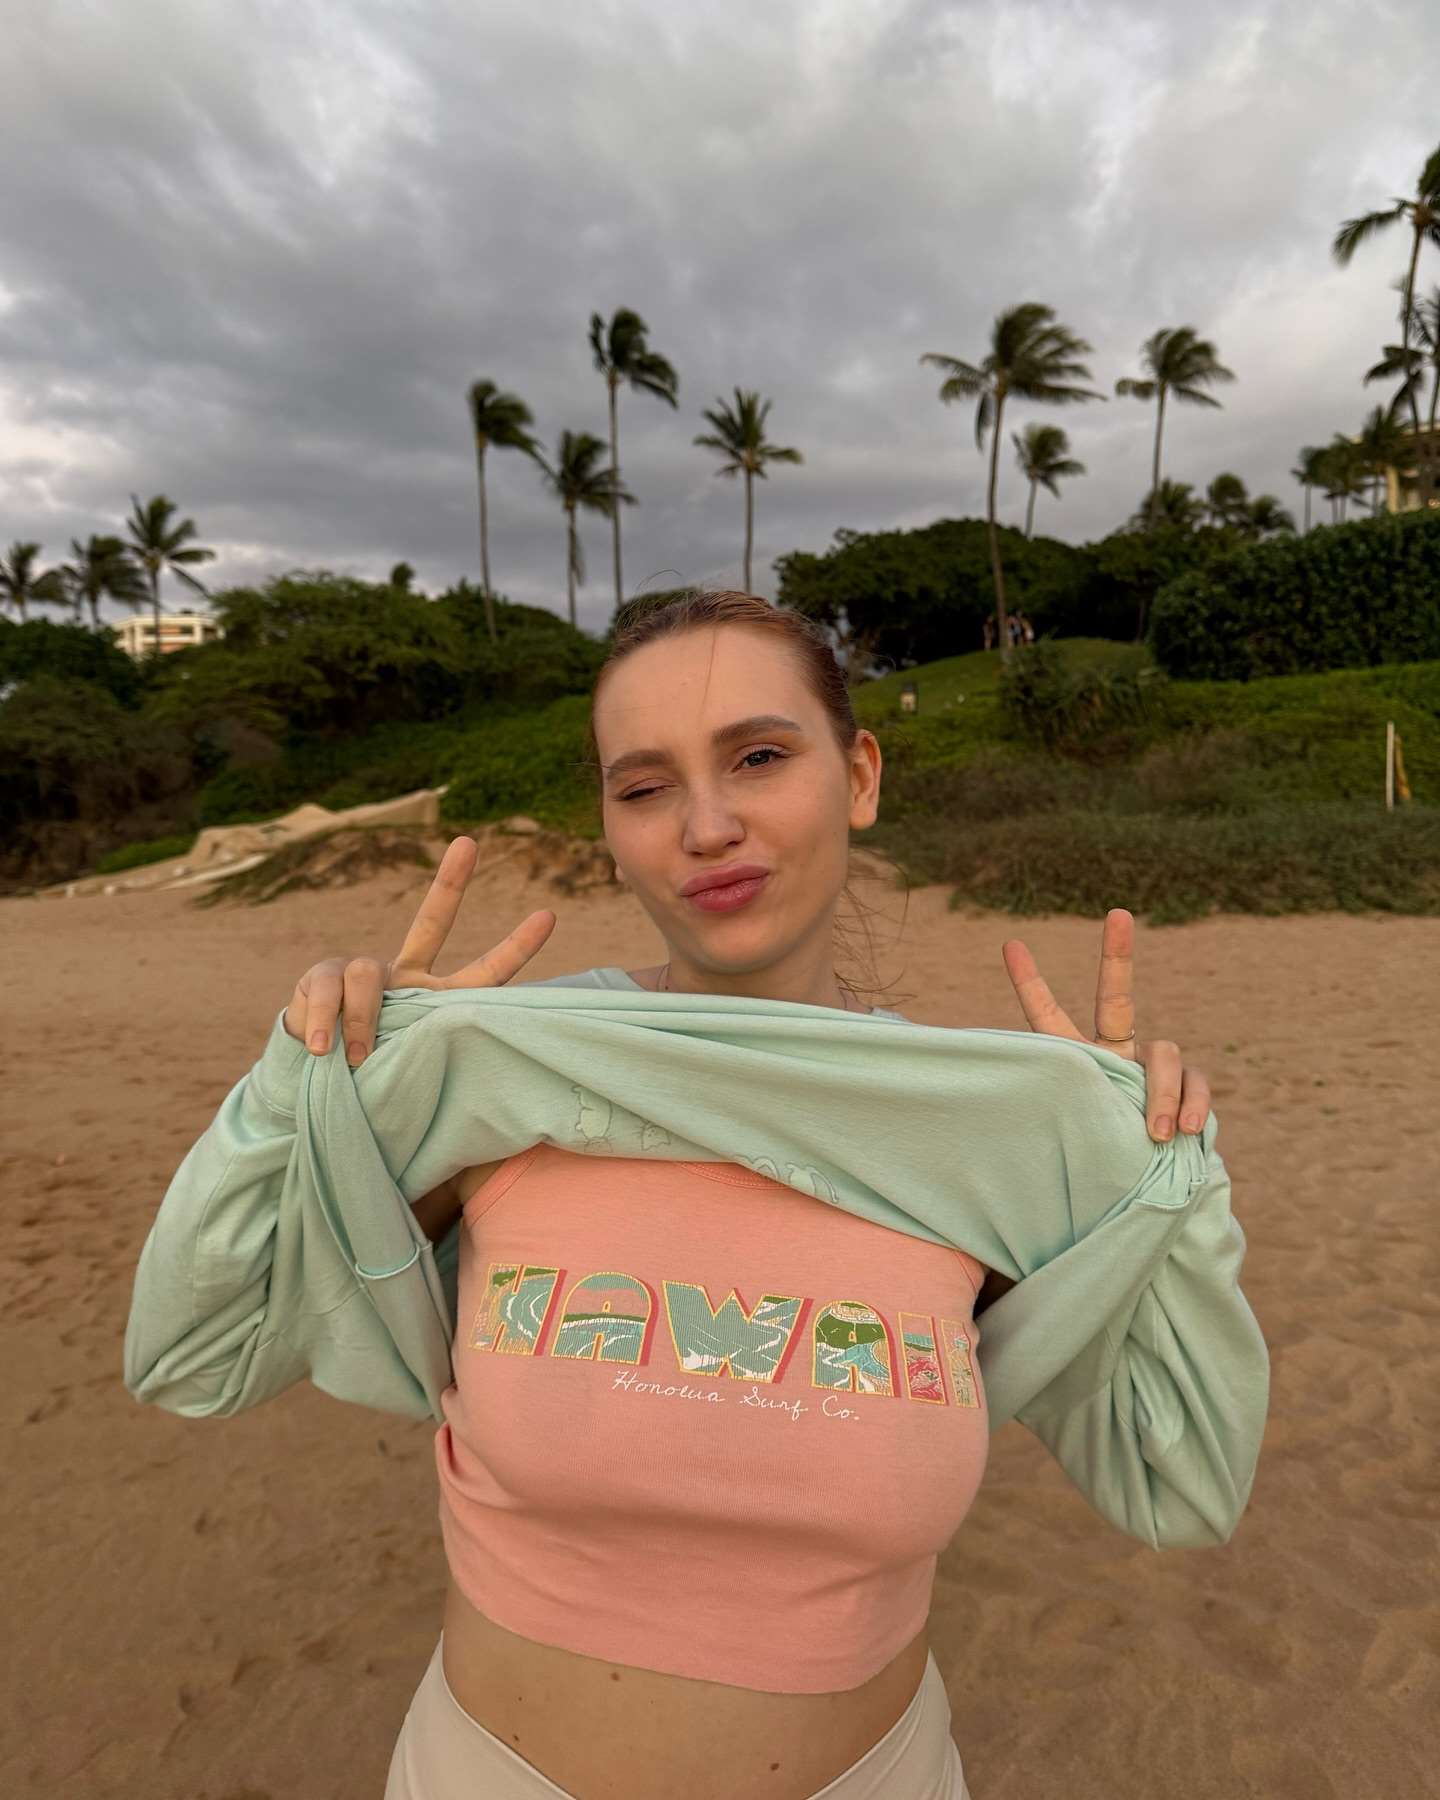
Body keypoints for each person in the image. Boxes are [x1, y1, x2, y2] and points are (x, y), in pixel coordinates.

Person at [263, 590, 1221, 1799]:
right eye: (644, 785)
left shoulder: (977, 1136)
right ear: (609, 826)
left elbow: (1174, 1470)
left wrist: (1146, 1178)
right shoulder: (506, 1087)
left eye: (759, 757)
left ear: (859, 777)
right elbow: (233, 1332)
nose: (707, 827)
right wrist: (335, 1088)